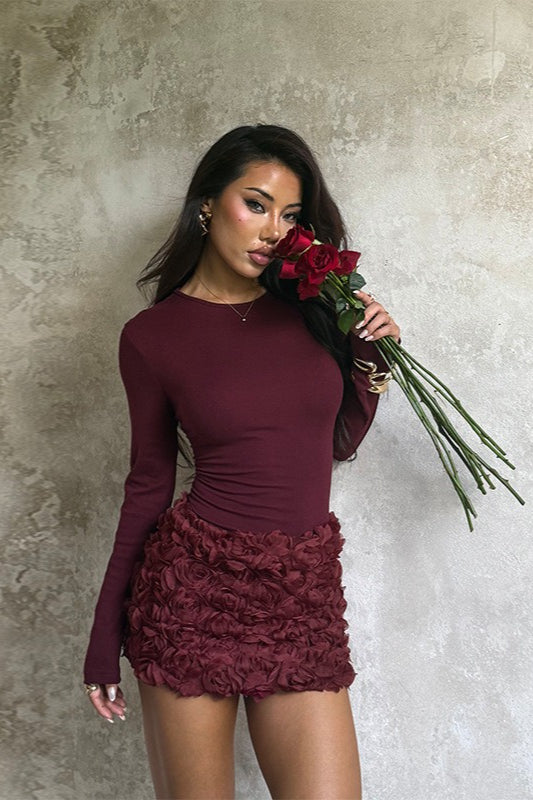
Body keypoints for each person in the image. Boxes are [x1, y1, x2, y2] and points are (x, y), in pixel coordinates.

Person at [83, 123, 401, 800]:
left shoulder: (312, 313)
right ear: (207, 204)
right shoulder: (151, 337)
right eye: (255, 204)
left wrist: (371, 353)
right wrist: (102, 639)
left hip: (301, 597)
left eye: (289, 216)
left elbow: (333, 443)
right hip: (192, 597)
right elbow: (147, 486)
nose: (272, 231)